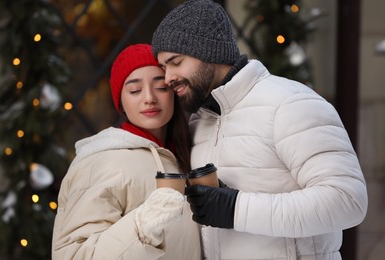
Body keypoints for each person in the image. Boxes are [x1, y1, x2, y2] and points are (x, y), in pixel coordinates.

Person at [151, 0, 368, 259]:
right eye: (163, 67)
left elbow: (348, 201)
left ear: (208, 52)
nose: (168, 77)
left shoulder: (290, 102)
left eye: (176, 61)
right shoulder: (200, 122)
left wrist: (236, 209)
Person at [52, 44, 201, 259]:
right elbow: (75, 254)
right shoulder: (102, 162)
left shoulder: (185, 155)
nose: (149, 97)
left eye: (161, 87)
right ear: (120, 101)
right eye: (135, 90)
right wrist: (142, 227)